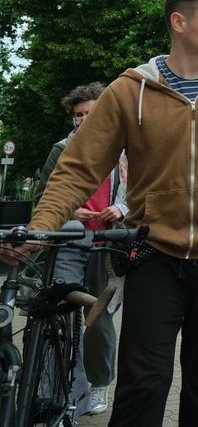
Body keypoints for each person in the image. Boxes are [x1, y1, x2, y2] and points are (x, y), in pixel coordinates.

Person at [15, 0, 198, 427]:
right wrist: (42, 225)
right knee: (143, 381)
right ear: (179, 22)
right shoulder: (130, 90)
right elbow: (78, 167)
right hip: (153, 253)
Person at [34, 82, 128, 417]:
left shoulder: (124, 148)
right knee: (61, 314)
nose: (84, 121)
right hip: (69, 241)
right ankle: (60, 395)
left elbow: (140, 192)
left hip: (108, 244)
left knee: (99, 319)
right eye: (79, 115)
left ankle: (99, 382)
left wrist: (122, 210)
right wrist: (69, 211)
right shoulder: (61, 149)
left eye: (91, 113)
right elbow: (42, 198)